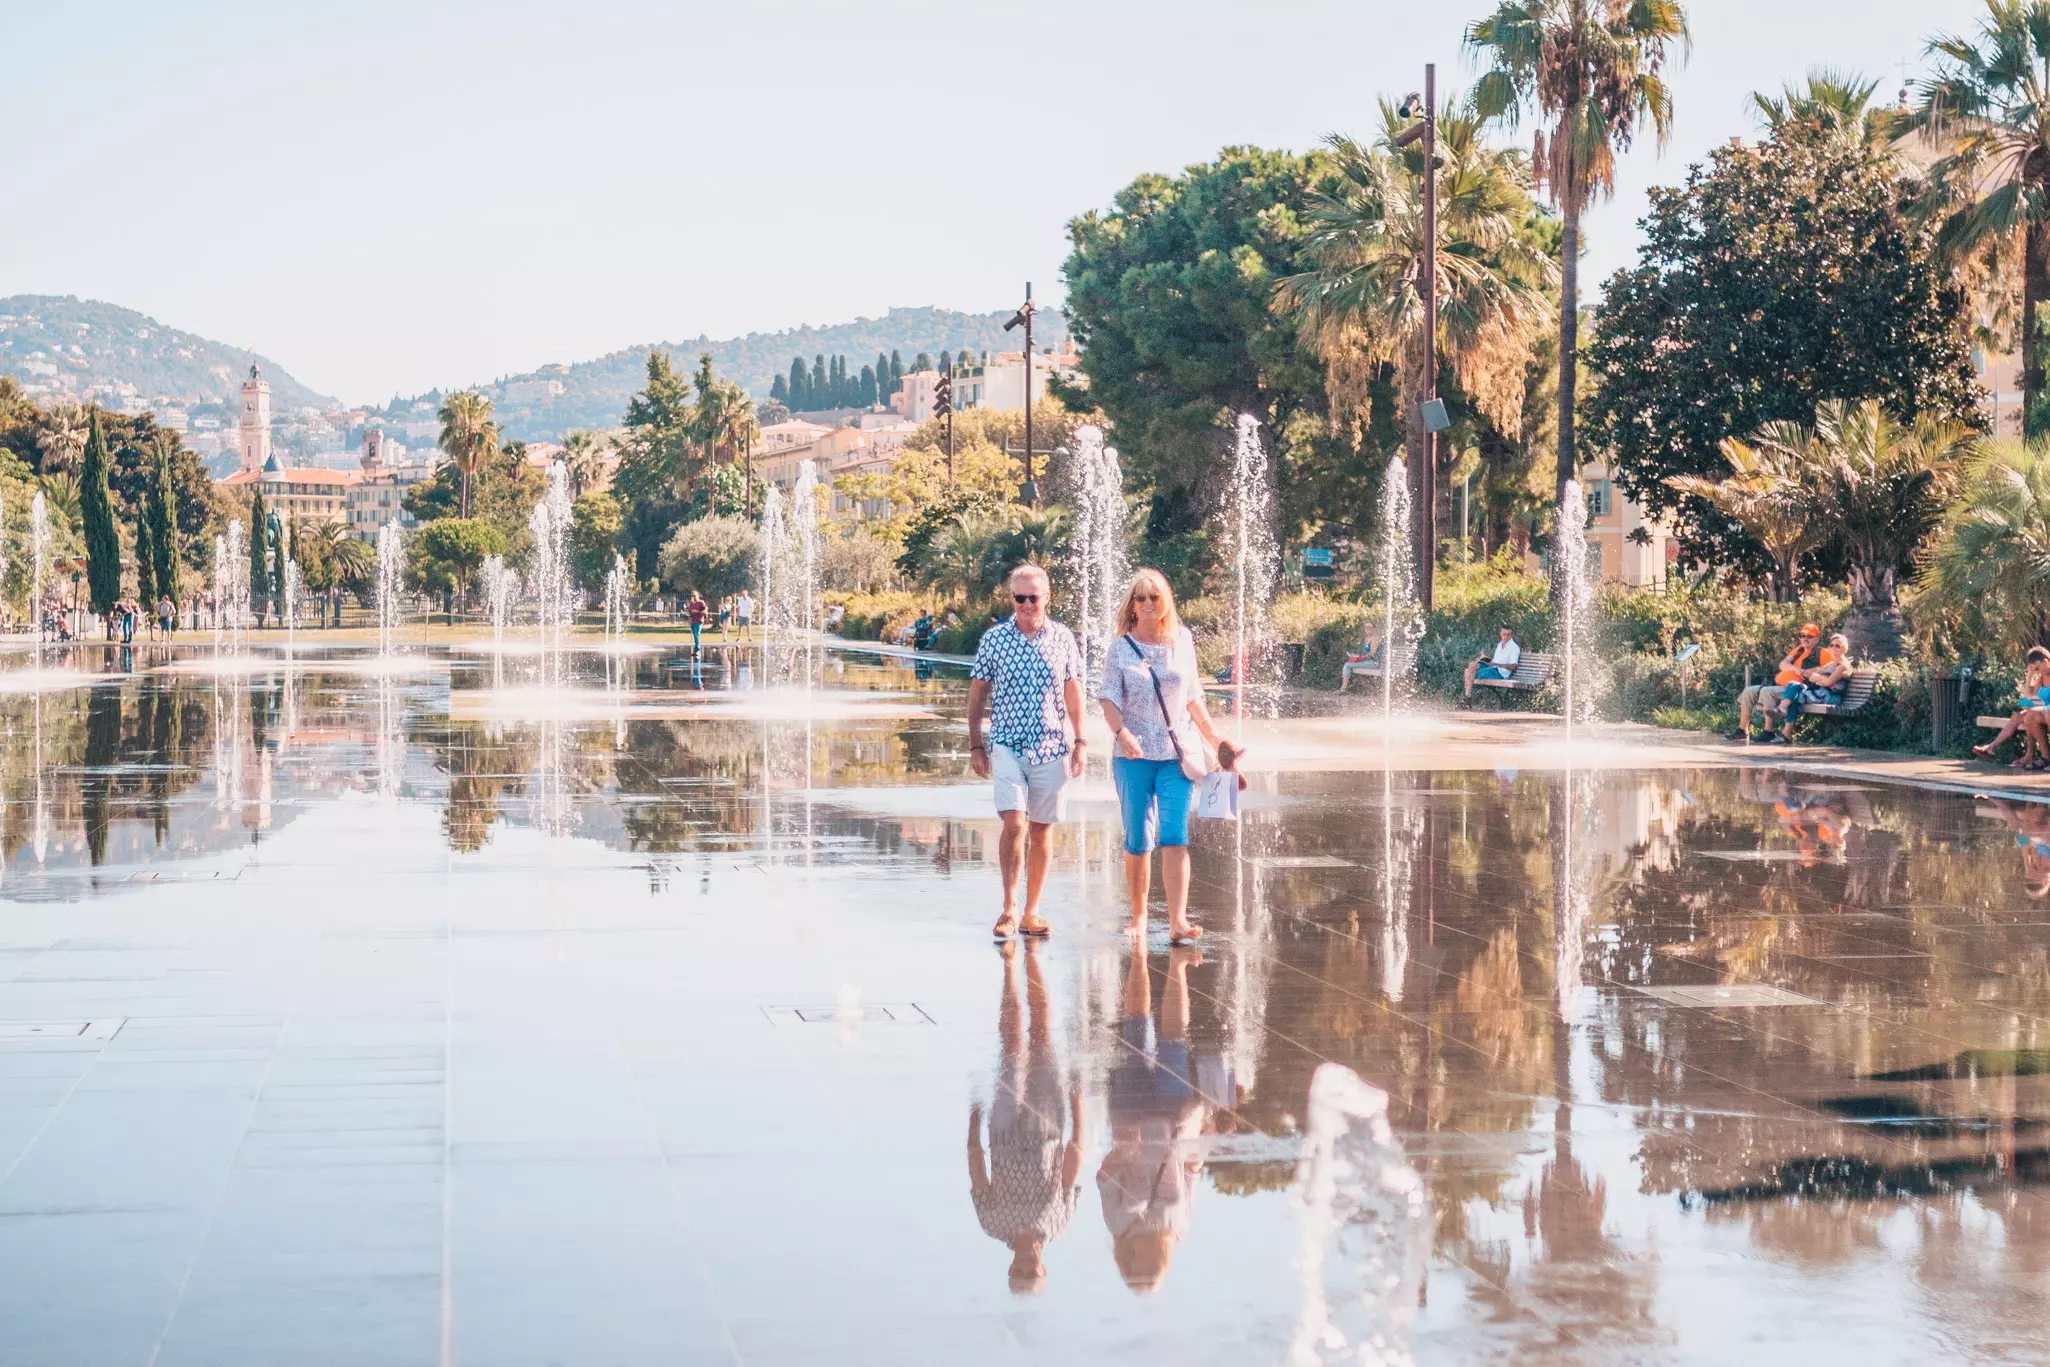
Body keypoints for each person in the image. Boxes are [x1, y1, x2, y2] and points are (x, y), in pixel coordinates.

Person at [1096, 568, 1231, 944]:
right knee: (1139, 838)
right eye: (1141, 598)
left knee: (1175, 836)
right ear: (1132, 606)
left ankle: (1177, 921)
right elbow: (1108, 698)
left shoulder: (1182, 642)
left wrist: (1216, 739)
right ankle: (1139, 918)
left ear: (1166, 600)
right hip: (1133, 756)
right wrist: (1121, 733)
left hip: (1176, 755)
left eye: (1155, 597)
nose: (1149, 604)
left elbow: (1193, 698)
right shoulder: (1121, 647)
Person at [1097, 944, 1236, 1295]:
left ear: (1127, 1263)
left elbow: (1103, 1178)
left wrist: (1126, 1151)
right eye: (1151, 1271)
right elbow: (1191, 1171)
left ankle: (1139, 961)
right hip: (1173, 1119)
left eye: (1138, 1272)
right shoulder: (1179, 1227)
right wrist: (1209, 1129)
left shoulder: (1118, 1225)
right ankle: (1178, 970)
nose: (1145, 1265)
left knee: (1136, 1031)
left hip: (1130, 1116)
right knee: (1173, 1041)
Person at [968, 564, 1086, 940]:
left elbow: (1072, 691)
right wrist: (975, 743)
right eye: (1019, 598)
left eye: (1033, 597)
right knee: (1015, 823)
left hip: (1051, 745)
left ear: (1047, 597)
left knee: (1041, 829)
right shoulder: (995, 640)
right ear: (1012, 599)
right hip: (1006, 743)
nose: (1026, 605)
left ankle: (1032, 911)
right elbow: (977, 693)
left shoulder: (1064, 638)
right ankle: (1008, 907)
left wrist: (1081, 740)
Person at [967, 939, 1082, 1296]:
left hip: (1002, 1131)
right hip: (1048, 1128)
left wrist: (973, 1123)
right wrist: (1078, 1111)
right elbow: (1072, 1166)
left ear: (1010, 1267)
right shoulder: (1060, 1223)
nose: (1026, 1265)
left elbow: (976, 1170)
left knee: (1013, 1045)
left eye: (1020, 1270)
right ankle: (1032, 969)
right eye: (1031, 1270)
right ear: (1043, 1266)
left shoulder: (991, 1224)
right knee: (1043, 1038)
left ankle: (1009, 977)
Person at [1727, 623, 1822, 743]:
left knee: (1767, 691)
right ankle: (1742, 730)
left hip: (1794, 689)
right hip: (1778, 685)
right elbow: (1782, 664)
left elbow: (1829, 667)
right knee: (1748, 691)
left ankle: (1768, 731)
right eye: (1803, 635)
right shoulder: (1799, 650)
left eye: (1809, 636)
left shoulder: (1821, 652)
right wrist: (1794, 668)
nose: (1805, 638)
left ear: (1817, 639)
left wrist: (1807, 672)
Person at [1975, 646, 2050, 765]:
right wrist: (2030, 675)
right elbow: (2029, 697)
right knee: (2018, 715)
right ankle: (1992, 747)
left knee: (2030, 714)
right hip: (2041, 712)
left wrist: (2035, 706)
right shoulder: (2040, 679)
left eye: (2037, 667)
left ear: (2046, 661)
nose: (2037, 671)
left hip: (2047, 713)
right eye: (2034, 669)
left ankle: (2032, 755)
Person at [1773, 632, 1853, 736]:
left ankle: (1781, 711)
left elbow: (1828, 682)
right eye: (1832, 645)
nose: (1834, 648)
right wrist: (1819, 678)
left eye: (1838, 646)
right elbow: (1812, 676)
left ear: (1844, 649)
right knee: (1794, 688)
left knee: (1794, 692)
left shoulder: (1844, 666)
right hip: (1820, 693)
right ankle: (1786, 732)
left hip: (1830, 697)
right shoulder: (1831, 664)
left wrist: (1819, 679)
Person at [1462, 626, 1522, 699]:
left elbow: (1513, 667)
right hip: (1492, 668)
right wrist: (1486, 660)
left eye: (1508, 634)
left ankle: (1467, 698)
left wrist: (1496, 664)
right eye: (1504, 634)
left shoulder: (1514, 647)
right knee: (1471, 666)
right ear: (1500, 634)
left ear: (1512, 635)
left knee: (1469, 672)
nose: (1506, 636)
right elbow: (1497, 661)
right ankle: (1467, 697)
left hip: (1499, 673)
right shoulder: (1500, 644)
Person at [1336, 619, 1383, 693]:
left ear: (1374, 629)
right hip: (1368, 661)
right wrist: (1356, 656)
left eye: (1371, 627)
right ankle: (1345, 688)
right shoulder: (1367, 638)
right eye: (1367, 627)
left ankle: (1343, 689)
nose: (1369, 629)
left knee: (1347, 665)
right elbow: (1365, 652)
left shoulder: (1375, 638)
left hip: (1374, 663)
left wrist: (1361, 658)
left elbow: (1372, 653)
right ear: (1365, 629)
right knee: (1348, 664)